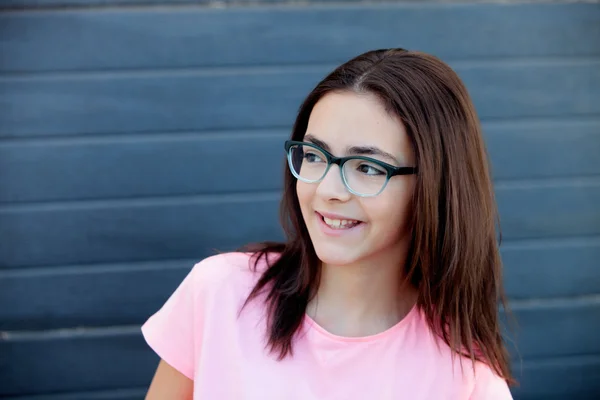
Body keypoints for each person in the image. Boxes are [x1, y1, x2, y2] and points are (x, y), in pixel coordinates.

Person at [142, 48, 515, 399]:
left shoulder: (466, 375)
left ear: (435, 186)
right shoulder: (218, 293)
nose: (327, 189)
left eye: (367, 167)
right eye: (315, 155)